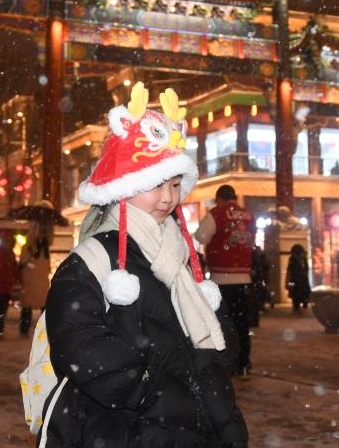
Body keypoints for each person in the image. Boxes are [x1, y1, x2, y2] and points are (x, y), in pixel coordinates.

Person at [40, 82, 249, 447]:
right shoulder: (93, 259)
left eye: (175, 185)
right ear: (124, 186)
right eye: (156, 184)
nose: (168, 198)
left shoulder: (183, 254)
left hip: (200, 426)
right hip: (126, 431)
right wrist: (149, 387)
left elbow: (219, 331)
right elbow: (78, 342)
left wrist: (212, 367)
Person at [195, 184, 255, 378]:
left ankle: (227, 363)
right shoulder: (248, 216)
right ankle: (244, 363)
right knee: (242, 323)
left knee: (222, 323)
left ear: (219, 198)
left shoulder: (217, 213)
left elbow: (201, 236)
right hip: (244, 277)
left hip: (221, 278)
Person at [17, 232, 50, 336]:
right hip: (36, 283)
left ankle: (26, 330)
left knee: (29, 308)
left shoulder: (41, 248)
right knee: (38, 309)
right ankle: (43, 330)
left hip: (34, 283)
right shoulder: (43, 249)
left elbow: (22, 264)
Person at [285, 244, 312, 315]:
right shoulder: (303, 259)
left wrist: (287, 282)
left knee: (296, 298)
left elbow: (289, 271)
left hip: (295, 280)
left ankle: (298, 311)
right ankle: (302, 311)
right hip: (302, 280)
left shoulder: (293, 259)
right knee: (303, 297)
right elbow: (305, 270)